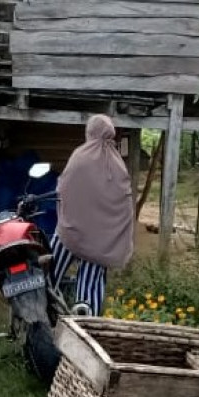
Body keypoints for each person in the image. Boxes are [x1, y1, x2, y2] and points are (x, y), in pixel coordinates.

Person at [50, 115, 135, 318]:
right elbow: (124, 203)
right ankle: (86, 320)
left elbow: (63, 188)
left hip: (71, 232)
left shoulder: (80, 157)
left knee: (48, 270)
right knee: (90, 282)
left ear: (91, 132)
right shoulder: (118, 164)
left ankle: (44, 315)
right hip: (100, 242)